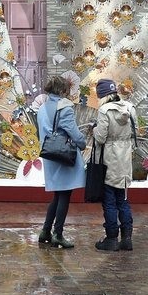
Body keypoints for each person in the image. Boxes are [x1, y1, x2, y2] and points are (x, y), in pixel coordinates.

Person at [36, 74, 85, 248]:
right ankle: (58, 233)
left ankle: (45, 231)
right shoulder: (64, 108)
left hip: (49, 154)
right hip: (64, 155)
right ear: (63, 90)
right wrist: (83, 142)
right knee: (64, 194)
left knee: (57, 195)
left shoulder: (42, 108)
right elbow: (73, 132)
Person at [89, 78, 137, 252]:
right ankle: (127, 239)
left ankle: (111, 239)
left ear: (102, 95)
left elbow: (100, 137)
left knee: (109, 201)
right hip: (125, 160)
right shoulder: (130, 108)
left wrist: (94, 129)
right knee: (123, 200)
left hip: (109, 160)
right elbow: (134, 132)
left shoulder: (104, 110)